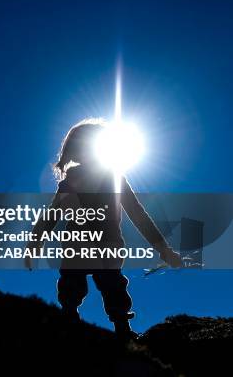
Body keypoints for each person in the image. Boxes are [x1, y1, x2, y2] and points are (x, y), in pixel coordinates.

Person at [25, 118, 183, 340]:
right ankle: (70, 320)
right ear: (74, 153)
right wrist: (35, 241)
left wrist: (163, 249)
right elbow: (52, 215)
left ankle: (122, 328)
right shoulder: (69, 183)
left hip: (107, 246)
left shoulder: (115, 179)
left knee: (113, 285)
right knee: (72, 282)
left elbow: (138, 215)